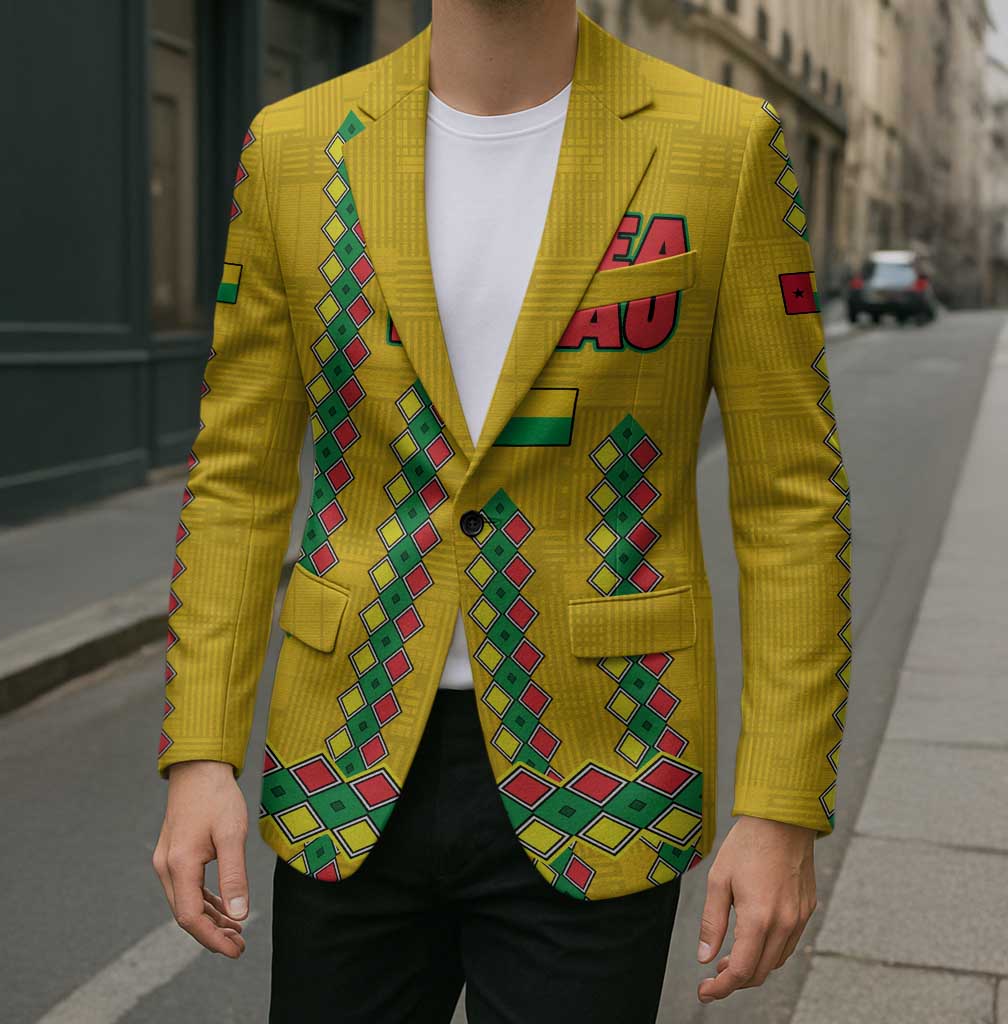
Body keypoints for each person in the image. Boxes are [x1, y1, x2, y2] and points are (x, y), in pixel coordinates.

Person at [152, 2, 852, 1021]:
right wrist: (199, 751)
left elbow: (792, 495)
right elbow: (239, 476)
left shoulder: (721, 147)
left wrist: (781, 803)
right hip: (346, 755)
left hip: (609, 756)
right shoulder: (296, 148)